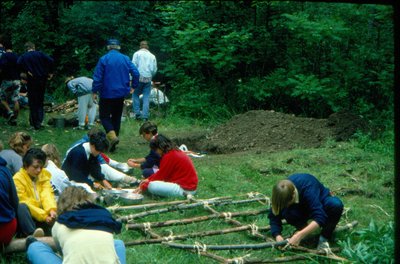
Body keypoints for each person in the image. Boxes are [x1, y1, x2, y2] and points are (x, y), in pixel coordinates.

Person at [26, 186, 126, 264]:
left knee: (35, 247)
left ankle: (33, 244)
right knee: (118, 243)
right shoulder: (104, 217)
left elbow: (62, 252)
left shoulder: (60, 223)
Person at [268, 173, 344, 251]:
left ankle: (324, 238)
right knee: (288, 212)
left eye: (287, 204)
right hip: (301, 208)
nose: (286, 206)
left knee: (336, 205)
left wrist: (300, 235)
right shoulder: (281, 194)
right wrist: (277, 235)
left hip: (319, 202)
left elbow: (320, 216)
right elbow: (274, 217)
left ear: (293, 195)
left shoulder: (308, 189)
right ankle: (304, 228)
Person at [92, 38, 139, 152]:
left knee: (104, 116)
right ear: (119, 47)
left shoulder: (104, 59)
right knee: (116, 117)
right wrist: (133, 86)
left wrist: (94, 90)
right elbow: (136, 73)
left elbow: (98, 77)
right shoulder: (125, 58)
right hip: (120, 93)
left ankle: (112, 137)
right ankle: (113, 143)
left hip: (106, 93)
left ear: (108, 47)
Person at [63, 127, 138, 186]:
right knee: (85, 188)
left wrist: (103, 180)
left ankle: (127, 179)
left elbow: (95, 166)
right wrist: (91, 184)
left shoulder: (92, 151)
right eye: (98, 151)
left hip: (84, 173)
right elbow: (75, 175)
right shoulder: (78, 152)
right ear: (92, 145)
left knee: (104, 167)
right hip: (71, 177)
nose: (99, 153)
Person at [13, 148, 57, 236]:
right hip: (30, 217)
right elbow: (24, 201)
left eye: (41, 167)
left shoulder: (43, 175)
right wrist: (44, 216)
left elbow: (47, 194)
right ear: (26, 166)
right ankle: (31, 233)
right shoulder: (17, 179)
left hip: (43, 215)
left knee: (57, 202)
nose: (39, 170)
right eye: (35, 167)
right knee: (21, 207)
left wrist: (51, 210)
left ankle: (50, 230)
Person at [17, 41, 54, 130]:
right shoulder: (40, 54)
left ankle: (34, 124)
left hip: (32, 80)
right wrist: (50, 72)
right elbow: (51, 60)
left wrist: (26, 70)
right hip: (42, 80)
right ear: (34, 47)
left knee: (33, 102)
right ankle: (40, 122)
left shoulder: (24, 56)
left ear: (26, 48)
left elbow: (18, 63)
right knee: (40, 101)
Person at [132, 40, 157, 121]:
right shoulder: (152, 56)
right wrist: (150, 76)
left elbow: (133, 67)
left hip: (138, 78)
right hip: (148, 78)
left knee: (135, 95)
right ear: (147, 47)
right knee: (146, 98)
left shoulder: (136, 54)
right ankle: (145, 117)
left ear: (140, 46)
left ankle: (137, 114)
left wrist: (131, 79)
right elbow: (154, 69)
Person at [0, 41, 21, 126]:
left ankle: (10, 111)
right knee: (15, 99)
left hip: (7, 80)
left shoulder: (4, 56)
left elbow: (1, 67)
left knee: (2, 98)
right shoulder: (17, 56)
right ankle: (14, 120)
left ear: (5, 47)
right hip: (16, 80)